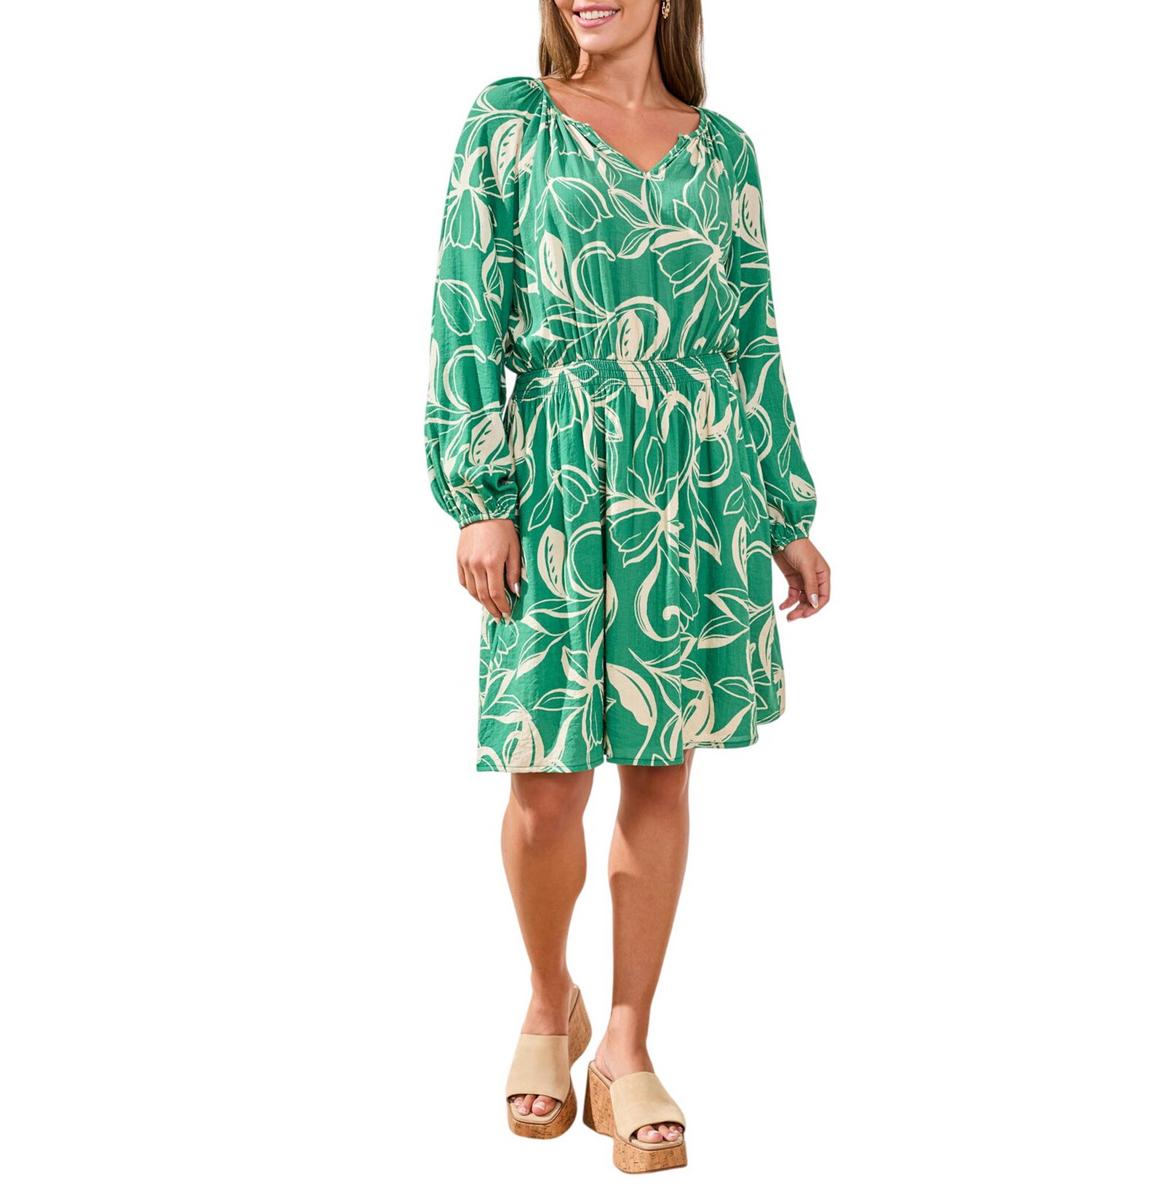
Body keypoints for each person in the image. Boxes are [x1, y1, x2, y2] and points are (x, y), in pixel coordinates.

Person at [423, 0, 830, 1174]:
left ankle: (626, 1043)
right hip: (554, 476)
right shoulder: (509, 123)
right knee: (545, 781)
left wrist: (784, 511)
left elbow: (752, 338)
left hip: (695, 480)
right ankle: (547, 998)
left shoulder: (725, 150)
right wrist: (480, 494)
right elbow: (465, 310)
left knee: (662, 767)